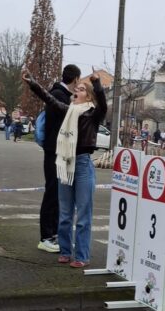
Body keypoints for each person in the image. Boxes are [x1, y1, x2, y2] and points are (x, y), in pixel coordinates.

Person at [24, 70, 107, 267]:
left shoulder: (93, 114)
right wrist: (33, 83)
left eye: (80, 89)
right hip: (65, 163)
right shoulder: (67, 110)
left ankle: (81, 256)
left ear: (88, 95)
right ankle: (65, 250)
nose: (75, 91)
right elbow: (50, 99)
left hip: (83, 165)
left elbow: (103, 104)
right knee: (65, 213)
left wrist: (97, 84)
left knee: (83, 214)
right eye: (75, 89)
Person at [37, 64, 81, 253]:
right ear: (76, 79)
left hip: (55, 150)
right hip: (55, 150)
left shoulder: (59, 94)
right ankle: (46, 236)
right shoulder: (60, 95)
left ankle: (53, 234)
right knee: (52, 192)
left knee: (56, 193)